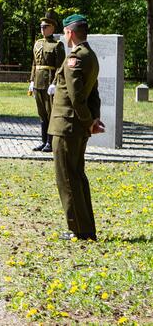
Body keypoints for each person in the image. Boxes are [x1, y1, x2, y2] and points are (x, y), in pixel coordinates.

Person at [47, 13, 104, 242]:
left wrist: (88, 121)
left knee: (67, 178)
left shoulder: (75, 58)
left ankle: (78, 230)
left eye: (65, 32)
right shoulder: (90, 55)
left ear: (70, 32)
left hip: (67, 126)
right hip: (78, 127)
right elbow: (94, 94)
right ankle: (86, 228)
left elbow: (77, 97)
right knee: (78, 176)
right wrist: (93, 120)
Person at [29, 17, 65, 152]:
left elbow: (60, 67)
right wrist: (32, 80)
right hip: (38, 82)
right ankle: (43, 141)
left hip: (49, 82)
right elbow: (34, 64)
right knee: (42, 114)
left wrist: (55, 83)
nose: (42, 29)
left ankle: (51, 142)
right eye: (41, 27)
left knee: (50, 113)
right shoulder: (37, 43)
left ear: (52, 28)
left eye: (45, 27)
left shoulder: (57, 45)